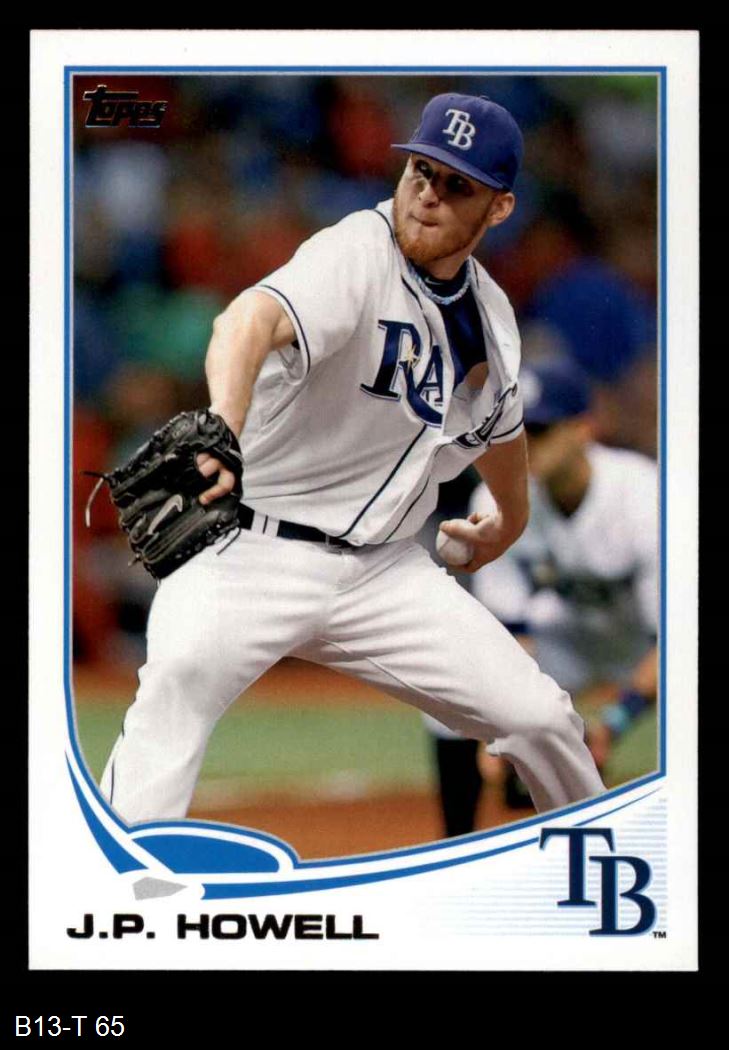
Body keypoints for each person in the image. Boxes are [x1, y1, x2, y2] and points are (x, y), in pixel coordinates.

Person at [100, 93, 605, 825]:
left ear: (499, 209)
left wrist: (510, 520)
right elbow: (247, 320)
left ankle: (599, 868)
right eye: (421, 172)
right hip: (251, 551)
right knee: (172, 694)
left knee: (542, 719)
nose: (428, 194)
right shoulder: (354, 253)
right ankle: (117, 882)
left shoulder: (492, 322)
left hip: (384, 575)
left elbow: (502, 429)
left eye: (456, 185)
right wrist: (223, 426)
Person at [427, 357, 657, 835]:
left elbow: (675, 642)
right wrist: (500, 724)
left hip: (645, 645)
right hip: (566, 636)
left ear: (584, 428)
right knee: (449, 702)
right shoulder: (496, 499)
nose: (527, 444)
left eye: (542, 429)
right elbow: (513, 633)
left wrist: (613, 724)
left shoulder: (644, 496)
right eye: (518, 430)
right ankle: (455, 846)